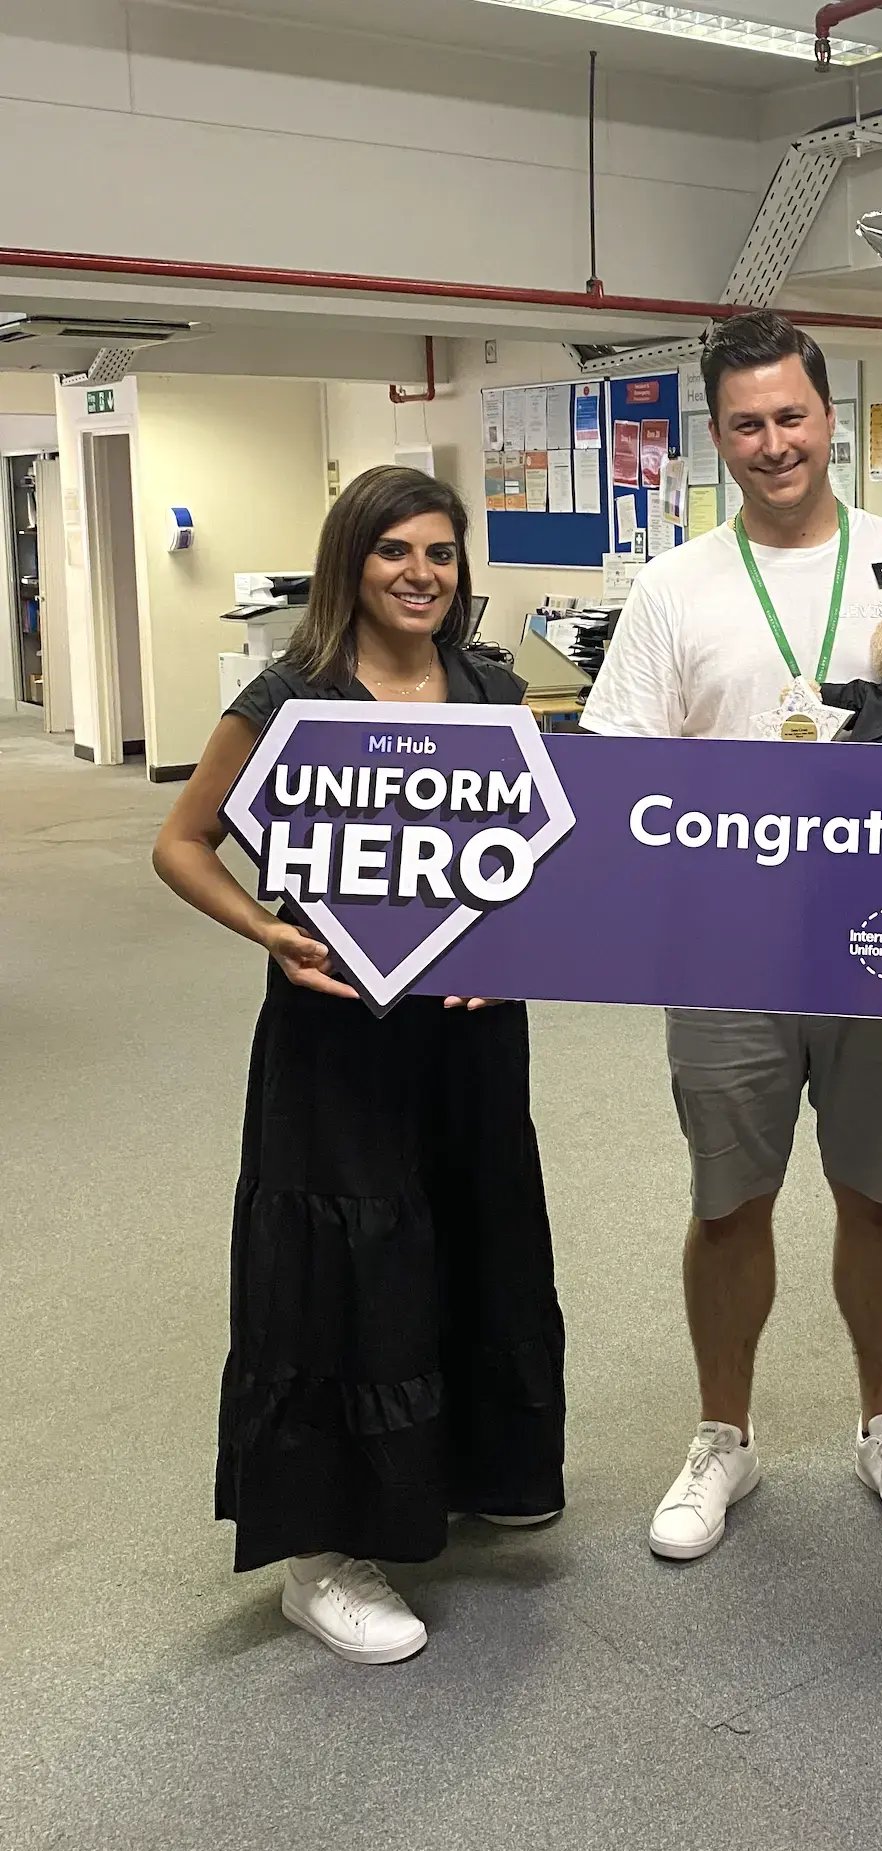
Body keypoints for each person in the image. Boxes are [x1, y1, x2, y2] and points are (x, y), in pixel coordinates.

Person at [582, 310, 882, 1561]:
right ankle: (725, 1436)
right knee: (729, 1200)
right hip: (727, 946)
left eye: (793, 416)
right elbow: (617, 775)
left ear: (831, 418)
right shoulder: (672, 586)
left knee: (880, 1190)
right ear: (717, 438)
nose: (775, 443)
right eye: (747, 424)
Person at [152, 466, 566, 1664]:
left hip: (473, 1030)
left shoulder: (492, 686)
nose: (421, 573)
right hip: (338, 1035)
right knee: (349, 1263)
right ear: (351, 562)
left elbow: (539, 854)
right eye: (396, 552)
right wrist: (269, 929)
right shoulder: (291, 698)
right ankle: (322, 1550)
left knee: (474, 1231)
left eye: (440, 553)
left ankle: (467, 1465)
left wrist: (521, 940)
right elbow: (183, 844)